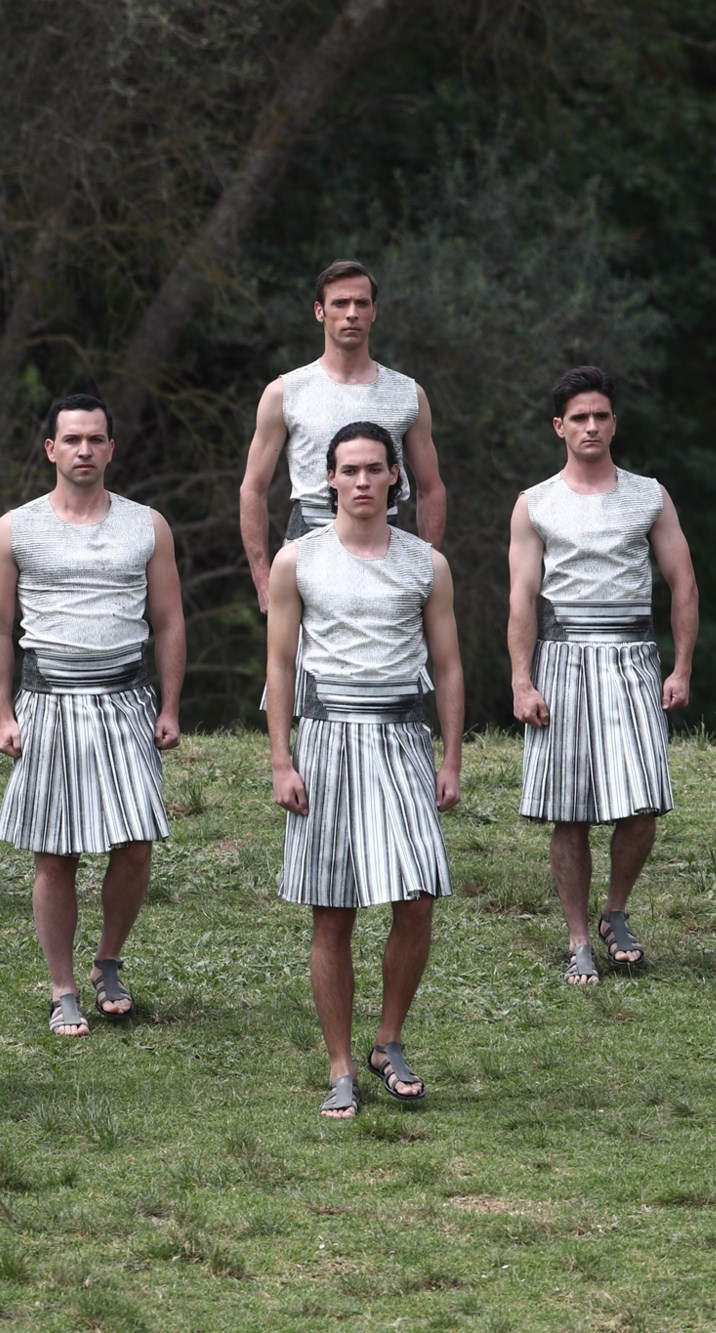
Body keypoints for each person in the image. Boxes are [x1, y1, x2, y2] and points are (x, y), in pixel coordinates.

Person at [266, 421, 462, 1118]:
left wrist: (452, 756)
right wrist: (281, 758)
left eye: (374, 468)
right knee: (334, 912)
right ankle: (341, 1067)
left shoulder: (426, 563)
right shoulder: (298, 559)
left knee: (418, 897)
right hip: (325, 739)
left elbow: (448, 665)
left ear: (394, 477)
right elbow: (280, 664)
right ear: (329, 478)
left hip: (403, 737)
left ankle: (389, 1041)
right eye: (349, 469)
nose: (362, 481)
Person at [0, 393, 185, 1037]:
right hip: (48, 699)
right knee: (55, 853)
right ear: (51, 449)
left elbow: (169, 620)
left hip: (127, 698)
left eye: (96, 439)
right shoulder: (14, 529)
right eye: (72, 439)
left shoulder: (147, 525)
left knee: (136, 843)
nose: (84, 450)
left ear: (111, 448)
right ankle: (62, 988)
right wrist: (4, 713)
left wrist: (170, 705)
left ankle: (108, 961)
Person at [507, 366, 698, 982]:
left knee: (641, 802)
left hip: (632, 657)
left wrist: (681, 666)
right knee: (570, 812)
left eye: (601, 416)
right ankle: (578, 939)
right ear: (559, 427)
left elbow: (683, 583)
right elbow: (522, 596)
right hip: (561, 659)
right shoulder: (535, 502)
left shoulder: (650, 495)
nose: (590, 426)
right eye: (579, 418)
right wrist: (521, 680)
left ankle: (615, 910)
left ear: (614, 423)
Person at [239, 259, 447, 615]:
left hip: (387, 542)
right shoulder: (285, 393)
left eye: (361, 303)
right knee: (300, 652)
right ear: (319, 311)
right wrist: (262, 580)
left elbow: (431, 488)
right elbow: (252, 489)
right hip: (307, 542)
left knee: (393, 646)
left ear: (374, 312)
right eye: (340, 303)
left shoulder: (407, 394)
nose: (351, 313)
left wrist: (426, 570)